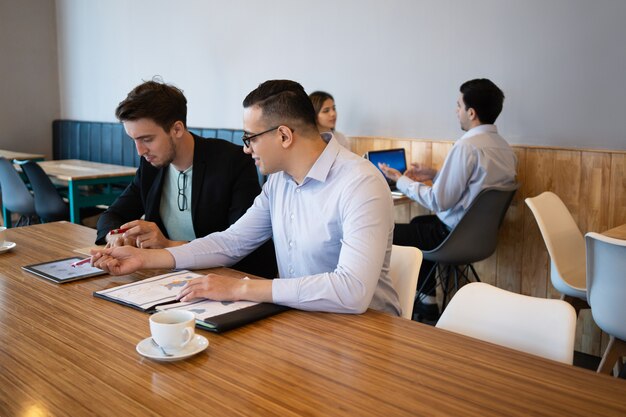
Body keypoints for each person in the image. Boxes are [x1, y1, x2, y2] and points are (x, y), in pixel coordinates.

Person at [93, 79, 400, 316]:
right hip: (302, 321)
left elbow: (352, 292)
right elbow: (231, 242)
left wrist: (242, 288)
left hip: (366, 331)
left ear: (283, 135)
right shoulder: (279, 183)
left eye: (250, 138)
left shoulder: (361, 182)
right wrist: (144, 258)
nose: (245, 148)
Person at [95, 79, 277, 278]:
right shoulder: (151, 166)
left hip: (230, 279)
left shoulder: (232, 161)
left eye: (147, 139)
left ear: (177, 129)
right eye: (134, 140)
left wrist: (168, 246)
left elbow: (241, 245)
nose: (140, 151)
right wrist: (117, 237)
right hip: (169, 277)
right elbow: (111, 215)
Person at [379, 78, 517, 322]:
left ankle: (395, 305)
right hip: (481, 237)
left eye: (458, 106)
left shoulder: (467, 147)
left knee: (386, 231)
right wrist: (434, 174)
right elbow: (477, 186)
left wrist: (400, 180)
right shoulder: (505, 148)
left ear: (471, 113)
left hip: (451, 236)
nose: (457, 111)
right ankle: (427, 300)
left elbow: (438, 201)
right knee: (419, 224)